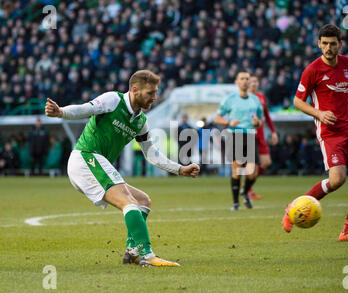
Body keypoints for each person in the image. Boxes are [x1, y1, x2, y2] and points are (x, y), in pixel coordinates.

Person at [45, 70, 200, 267]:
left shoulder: (140, 121)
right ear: (135, 90)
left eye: (155, 92)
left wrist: (180, 169)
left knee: (143, 201)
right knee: (129, 203)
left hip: (97, 163)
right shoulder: (113, 100)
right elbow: (85, 109)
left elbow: (151, 154)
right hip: (85, 157)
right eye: (150, 93)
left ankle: (132, 252)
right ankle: (148, 255)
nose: (155, 97)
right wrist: (61, 112)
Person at [282, 25, 348, 243]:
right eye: (325, 43)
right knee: (337, 179)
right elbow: (297, 101)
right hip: (330, 133)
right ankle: (293, 210)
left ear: (340, 44)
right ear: (318, 44)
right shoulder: (312, 70)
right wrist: (319, 113)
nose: (329, 48)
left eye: (333, 43)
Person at [214, 71, 263, 211]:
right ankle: (235, 203)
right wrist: (229, 122)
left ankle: (244, 191)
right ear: (237, 82)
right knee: (237, 169)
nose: (245, 81)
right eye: (242, 79)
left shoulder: (255, 100)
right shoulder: (230, 99)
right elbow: (217, 118)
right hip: (234, 135)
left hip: (250, 135)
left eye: (247, 78)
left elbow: (259, 121)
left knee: (253, 172)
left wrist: (257, 122)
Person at [245, 75, 278, 199]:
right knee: (250, 166)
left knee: (267, 163)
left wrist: (273, 132)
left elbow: (267, 116)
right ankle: (248, 190)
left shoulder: (261, 97)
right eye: (251, 81)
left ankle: (246, 186)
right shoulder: (243, 98)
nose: (254, 83)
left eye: (256, 81)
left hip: (261, 135)